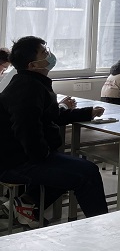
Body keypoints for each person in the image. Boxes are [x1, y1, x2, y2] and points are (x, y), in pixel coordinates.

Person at [0, 36, 108, 227]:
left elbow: (53, 115)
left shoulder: (33, 82)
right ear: (33, 65)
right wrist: (45, 158)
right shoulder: (27, 87)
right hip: (15, 163)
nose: (49, 55)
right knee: (87, 173)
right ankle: (103, 228)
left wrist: (87, 113)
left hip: (23, 157)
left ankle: (25, 204)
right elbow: (26, 129)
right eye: (44, 52)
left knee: (72, 165)